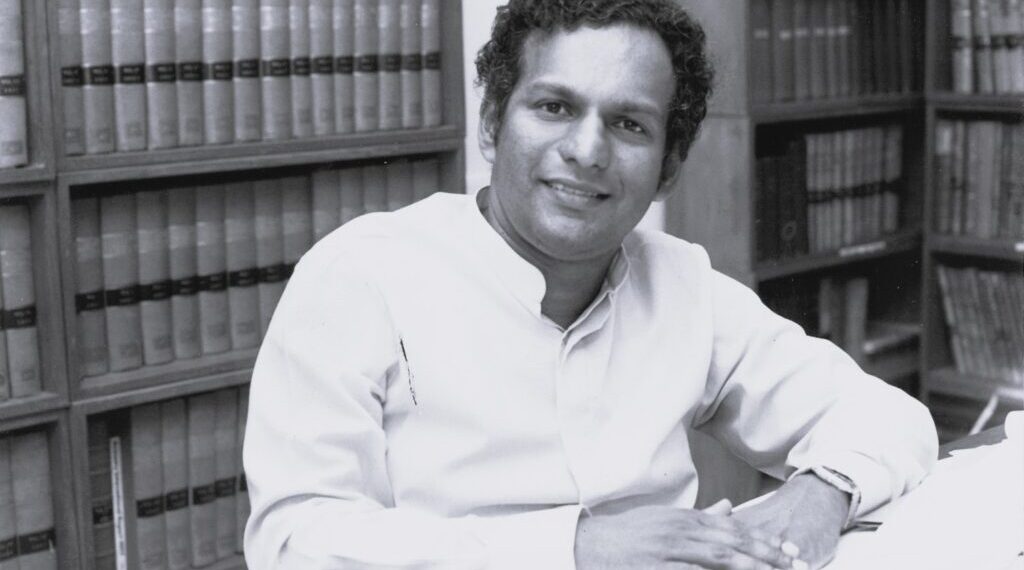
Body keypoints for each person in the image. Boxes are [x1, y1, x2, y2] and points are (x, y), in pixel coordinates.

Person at [243, 1, 938, 568]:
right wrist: (571, 548)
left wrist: (820, 494)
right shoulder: (362, 275)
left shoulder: (682, 283)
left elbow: (887, 415)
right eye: (553, 107)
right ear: (492, 125)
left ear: (667, 169)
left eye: (629, 123)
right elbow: (294, 541)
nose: (587, 150)